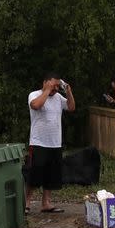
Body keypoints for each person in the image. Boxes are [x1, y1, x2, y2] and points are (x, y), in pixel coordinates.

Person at [25, 72, 75, 214]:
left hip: (55, 143)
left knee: (51, 175)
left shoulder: (58, 97)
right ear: (45, 82)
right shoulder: (34, 95)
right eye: (53, 85)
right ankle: (26, 203)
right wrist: (47, 90)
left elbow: (71, 107)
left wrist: (69, 92)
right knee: (35, 173)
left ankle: (46, 203)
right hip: (39, 142)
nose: (55, 89)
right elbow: (35, 106)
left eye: (57, 86)